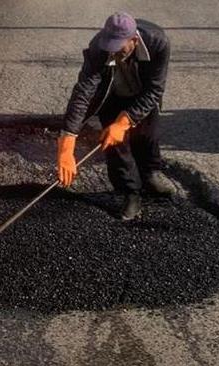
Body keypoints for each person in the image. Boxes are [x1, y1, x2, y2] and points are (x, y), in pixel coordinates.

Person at [58, 12, 178, 220]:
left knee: (148, 137)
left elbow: (155, 90)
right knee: (116, 147)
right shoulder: (99, 47)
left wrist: (124, 122)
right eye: (109, 47)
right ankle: (130, 193)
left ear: (134, 40)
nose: (112, 52)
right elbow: (83, 92)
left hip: (143, 94)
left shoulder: (158, 42)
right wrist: (67, 146)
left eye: (118, 47)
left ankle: (151, 176)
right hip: (111, 97)